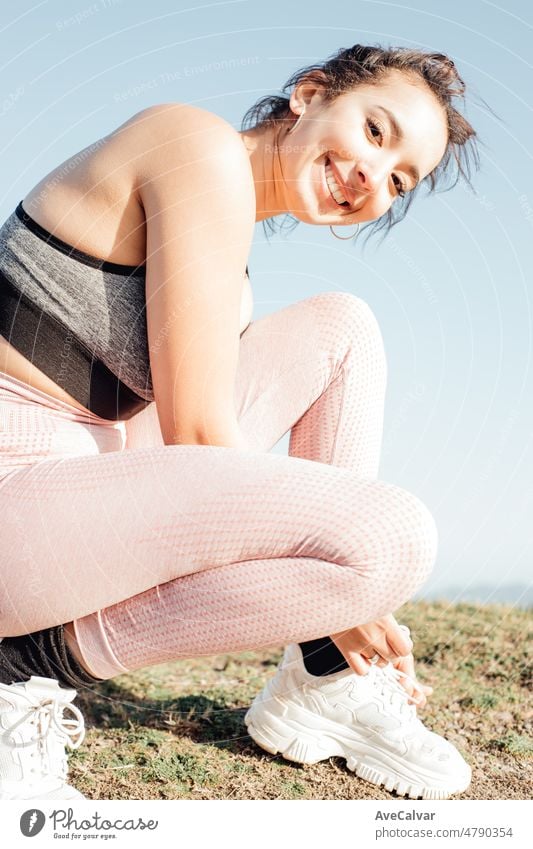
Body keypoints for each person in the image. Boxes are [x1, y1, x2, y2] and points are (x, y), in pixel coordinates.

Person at [0, 44, 478, 801]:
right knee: (388, 537)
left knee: (341, 328)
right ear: (309, 93)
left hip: (63, 495)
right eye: (375, 132)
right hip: (11, 504)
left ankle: (323, 680)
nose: (371, 178)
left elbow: (172, 440)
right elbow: (197, 436)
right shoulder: (192, 143)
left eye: (396, 180)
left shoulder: (231, 265)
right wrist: (350, 591)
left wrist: (341, 598)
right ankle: (24, 666)